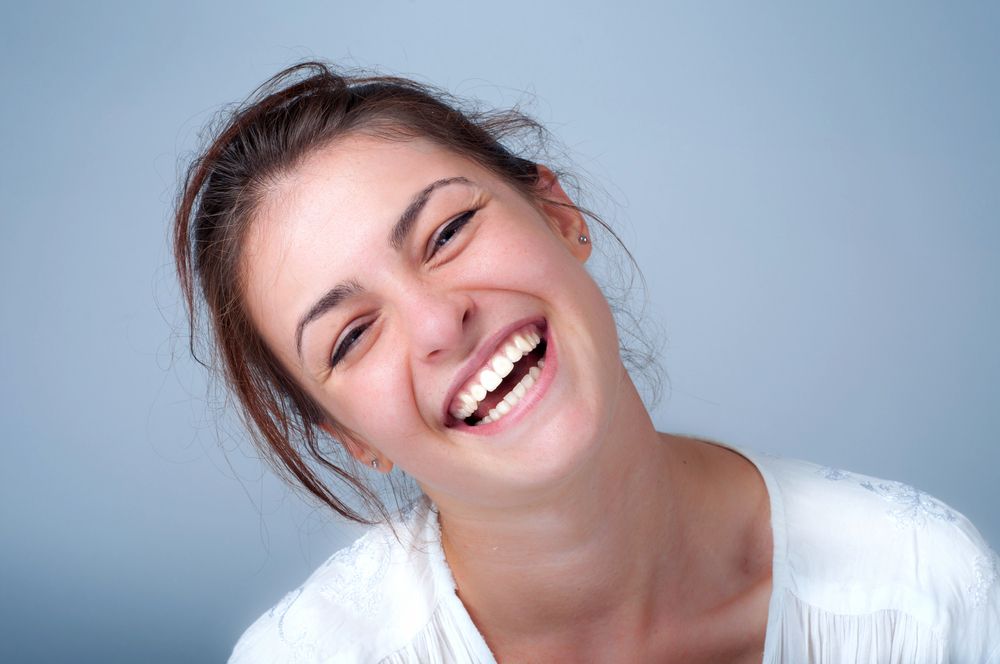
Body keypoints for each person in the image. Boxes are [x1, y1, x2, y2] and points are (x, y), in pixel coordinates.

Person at [174, 62, 999, 663]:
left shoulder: (922, 594)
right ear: (351, 435)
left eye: (448, 233)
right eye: (352, 336)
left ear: (558, 214)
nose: (437, 320)